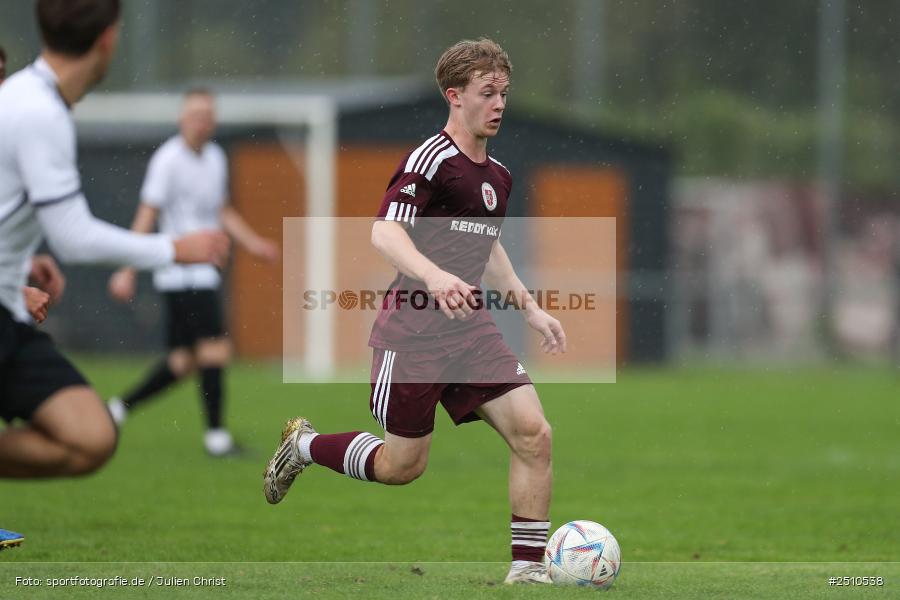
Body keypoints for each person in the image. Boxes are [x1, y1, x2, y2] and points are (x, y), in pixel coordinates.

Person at [263, 39, 566, 584]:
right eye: (487, 93)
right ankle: (303, 445)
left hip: (470, 330)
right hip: (413, 336)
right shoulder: (431, 159)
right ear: (455, 96)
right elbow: (385, 230)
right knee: (402, 467)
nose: (499, 103)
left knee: (534, 434)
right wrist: (434, 274)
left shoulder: (498, 175)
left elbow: (488, 248)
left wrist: (531, 308)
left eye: (504, 93)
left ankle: (528, 571)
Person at [0, 0, 228, 482]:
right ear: (108, 39)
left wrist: (20, 266)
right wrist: (174, 248)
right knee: (193, 356)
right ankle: (216, 433)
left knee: (92, 437)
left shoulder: (29, 99)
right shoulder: (39, 111)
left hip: (10, 311)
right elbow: (75, 238)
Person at [106, 89, 279, 456]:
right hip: (180, 273)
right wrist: (128, 268)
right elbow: (147, 214)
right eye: (195, 114)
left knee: (183, 362)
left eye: (208, 115)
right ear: (181, 119)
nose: (202, 121)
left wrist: (252, 243)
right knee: (215, 349)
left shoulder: (215, 157)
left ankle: (117, 410)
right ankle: (216, 438)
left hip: (205, 272)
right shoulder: (167, 160)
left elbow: (222, 210)